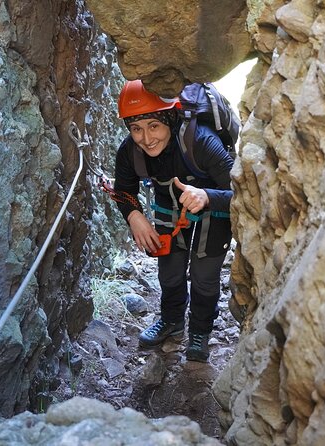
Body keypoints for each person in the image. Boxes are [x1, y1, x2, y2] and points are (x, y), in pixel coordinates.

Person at [113, 79, 234, 362]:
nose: (146, 138)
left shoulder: (201, 141)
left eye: (153, 125)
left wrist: (206, 196)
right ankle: (171, 321)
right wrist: (134, 217)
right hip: (169, 206)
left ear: (169, 118)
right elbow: (123, 191)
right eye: (136, 128)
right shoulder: (130, 151)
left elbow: (242, 191)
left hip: (213, 208)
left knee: (205, 274)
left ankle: (200, 332)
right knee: (170, 269)